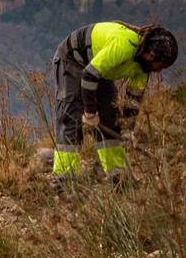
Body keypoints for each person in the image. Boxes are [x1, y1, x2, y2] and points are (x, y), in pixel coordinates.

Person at [52, 22, 178, 185]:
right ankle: (64, 178)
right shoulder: (123, 46)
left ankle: (118, 176)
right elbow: (89, 75)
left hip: (99, 69)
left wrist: (127, 129)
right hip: (73, 60)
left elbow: (133, 101)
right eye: (162, 65)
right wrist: (90, 112)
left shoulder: (144, 69)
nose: (161, 70)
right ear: (151, 54)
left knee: (111, 119)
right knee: (71, 117)